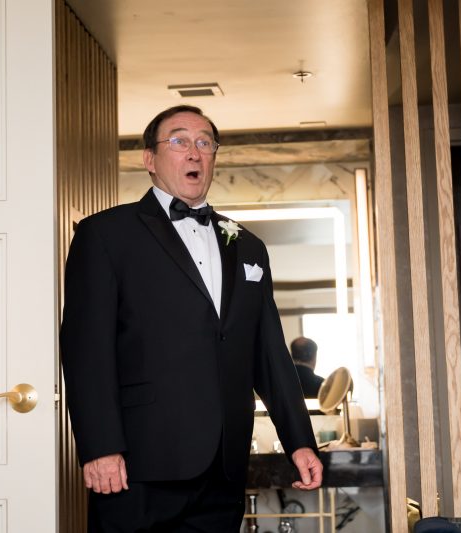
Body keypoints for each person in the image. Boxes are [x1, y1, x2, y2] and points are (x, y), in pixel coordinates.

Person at [60, 105, 322, 532]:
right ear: (150, 159)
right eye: (179, 141)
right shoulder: (105, 235)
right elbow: (86, 351)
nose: (194, 153)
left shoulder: (249, 246)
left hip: (224, 466)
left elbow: (270, 355)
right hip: (138, 463)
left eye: (205, 143)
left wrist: (299, 442)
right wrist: (100, 448)